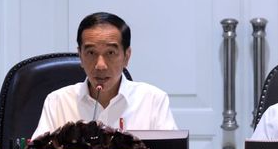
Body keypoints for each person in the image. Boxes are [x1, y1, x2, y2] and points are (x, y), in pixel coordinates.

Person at [32, 12, 177, 138]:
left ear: (127, 56)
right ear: (80, 56)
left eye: (110, 53)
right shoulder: (58, 102)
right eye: (91, 53)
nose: (100, 65)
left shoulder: (153, 101)